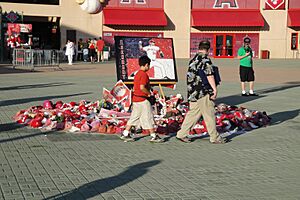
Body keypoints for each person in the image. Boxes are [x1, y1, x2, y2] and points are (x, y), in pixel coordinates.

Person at [176, 40, 227, 144]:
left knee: (193, 114)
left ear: (199, 48)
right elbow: (209, 75)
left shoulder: (192, 60)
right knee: (209, 115)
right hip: (203, 92)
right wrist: (214, 89)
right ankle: (215, 138)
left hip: (193, 92)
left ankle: (181, 134)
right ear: (208, 49)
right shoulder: (206, 60)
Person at [120, 55, 164, 143]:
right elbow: (142, 87)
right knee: (148, 117)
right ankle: (153, 135)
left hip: (136, 99)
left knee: (134, 117)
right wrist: (149, 94)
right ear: (146, 65)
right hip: (143, 100)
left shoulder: (137, 74)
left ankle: (125, 133)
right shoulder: (144, 75)